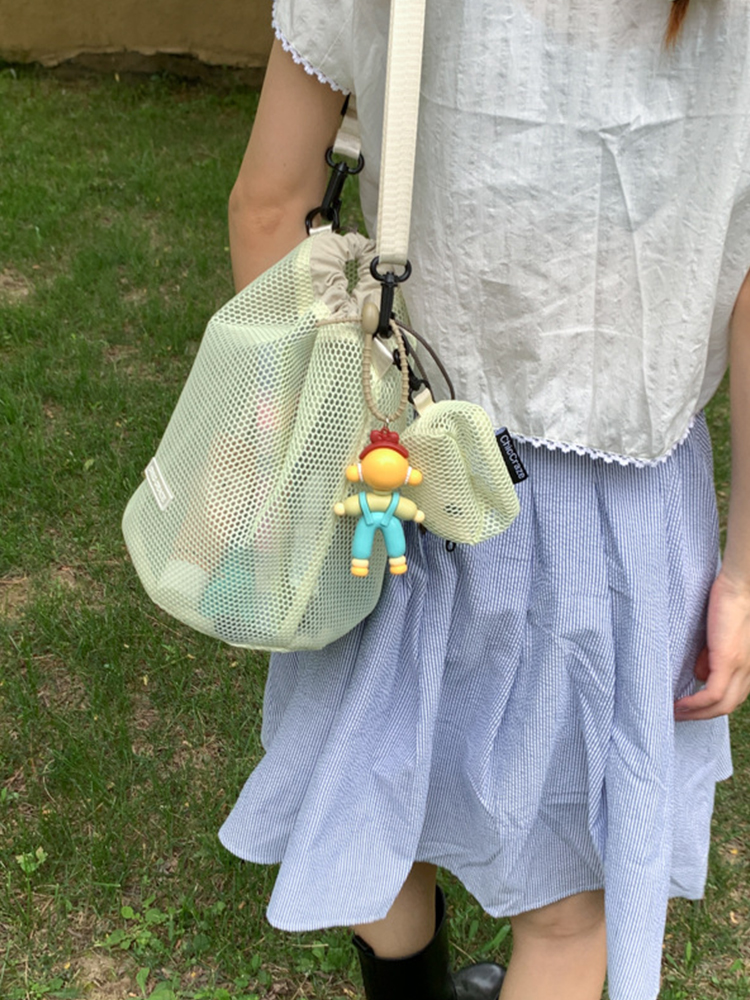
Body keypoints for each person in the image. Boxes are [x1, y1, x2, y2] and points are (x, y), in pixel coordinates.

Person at [219, 2, 750, 998]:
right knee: (568, 906)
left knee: (375, 785)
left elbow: (269, 205)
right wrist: (744, 573)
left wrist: (295, 438)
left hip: (397, 464)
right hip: (620, 522)